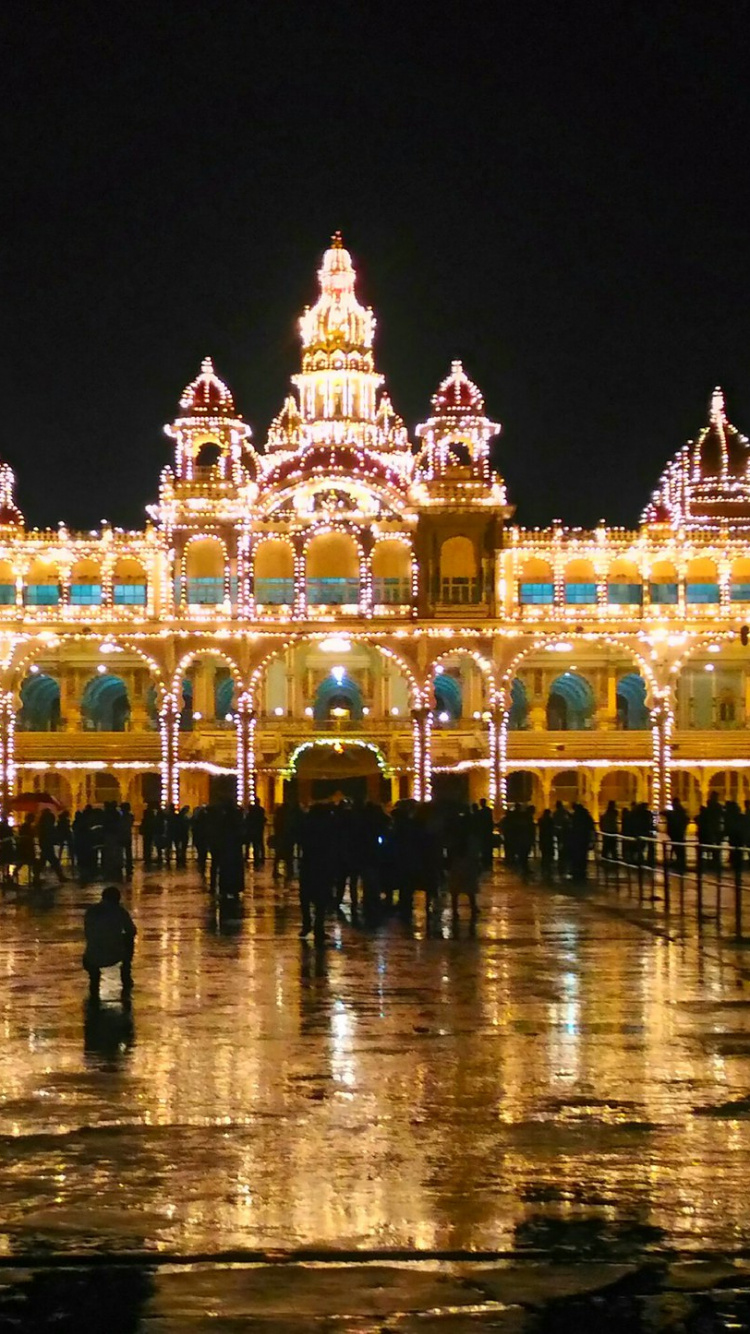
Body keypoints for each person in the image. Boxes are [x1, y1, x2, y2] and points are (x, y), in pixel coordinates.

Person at [82, 885, 137, 999]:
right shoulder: (120, 911)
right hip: (115, 953)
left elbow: (88, 933)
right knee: (129, 938)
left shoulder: (91, 911)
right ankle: (126, 972)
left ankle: (94, 978)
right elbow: (131, 930)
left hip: (92, 955)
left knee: (93, 945)